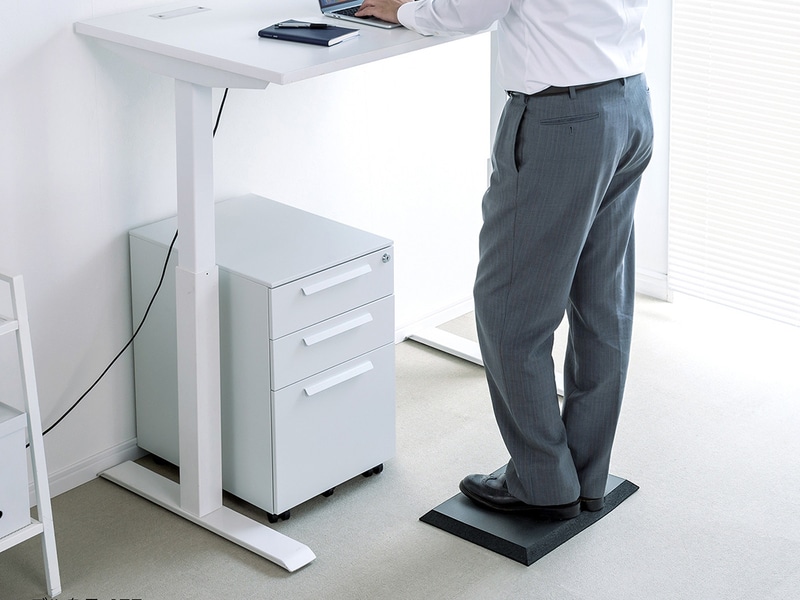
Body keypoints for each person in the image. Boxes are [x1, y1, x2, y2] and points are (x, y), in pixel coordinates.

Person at [357, 0, 654, 520]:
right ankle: (584, 475)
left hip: (564, 120)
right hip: (629, 103)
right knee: (602, 306)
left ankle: (543, 484)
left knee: (508, 313)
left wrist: (403, 9)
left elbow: (467, 11)